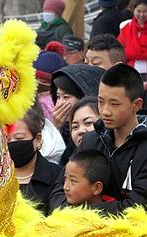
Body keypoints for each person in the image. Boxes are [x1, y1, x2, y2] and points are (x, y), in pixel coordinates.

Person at [50, 64, 147, 220]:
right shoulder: (91, 140)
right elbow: (59, 191)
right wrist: (73, 218)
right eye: (101, 102)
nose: (105, 111)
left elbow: (138, 206)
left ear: (136, 105)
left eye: (114, 104)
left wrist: (83, 215)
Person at [7, 109, 62, 215]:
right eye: (6, 139)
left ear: (37, 140)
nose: (12, 144)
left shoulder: (58, 176)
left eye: (19, 138)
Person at [118, 0, 147, 72]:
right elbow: (119, 49)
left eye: (145, 12)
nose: (141, 14)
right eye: (139, 11)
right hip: (131, 72)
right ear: (134, 10)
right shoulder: (126, 27)